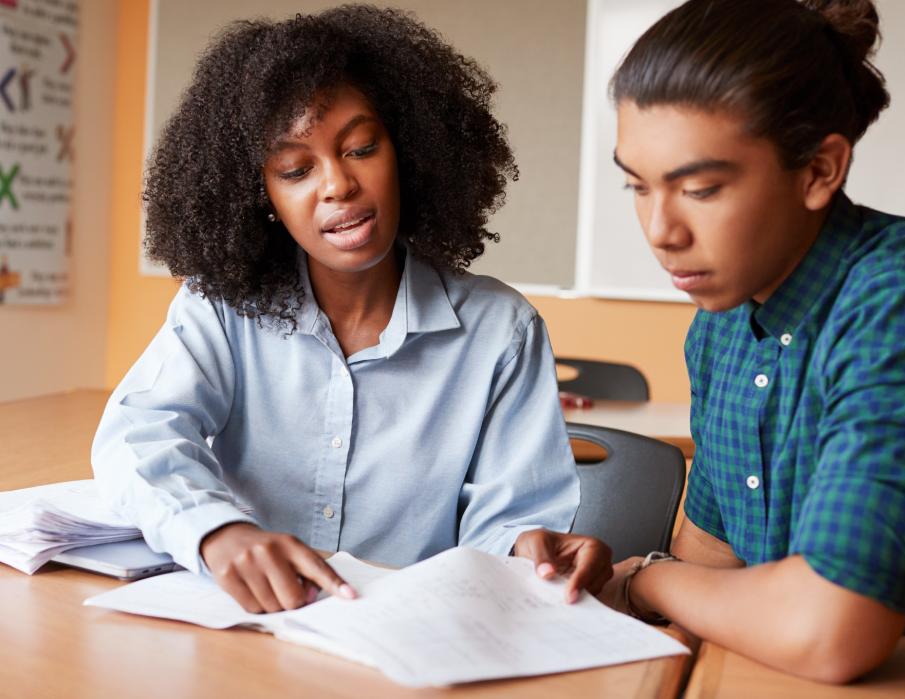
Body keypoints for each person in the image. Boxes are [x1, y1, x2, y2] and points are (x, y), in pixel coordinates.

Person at [92, 6, 611, 615]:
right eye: (295, 169)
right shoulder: (221, 308)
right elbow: (139, 433)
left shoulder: (500, 331)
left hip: (408, 641)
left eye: (361, 147)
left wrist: (529, 549)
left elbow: (507, 527)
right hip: (245, 629)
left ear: (410, 153)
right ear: (262, 195)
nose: (337, 184)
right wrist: (214, 530)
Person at [598, 0, 905, 683]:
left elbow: (832, 628)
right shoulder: (719, 321)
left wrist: (646, 579)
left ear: (819, 171)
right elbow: (709, 560)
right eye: (637, 185)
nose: (660, 229)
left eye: (702, 188)